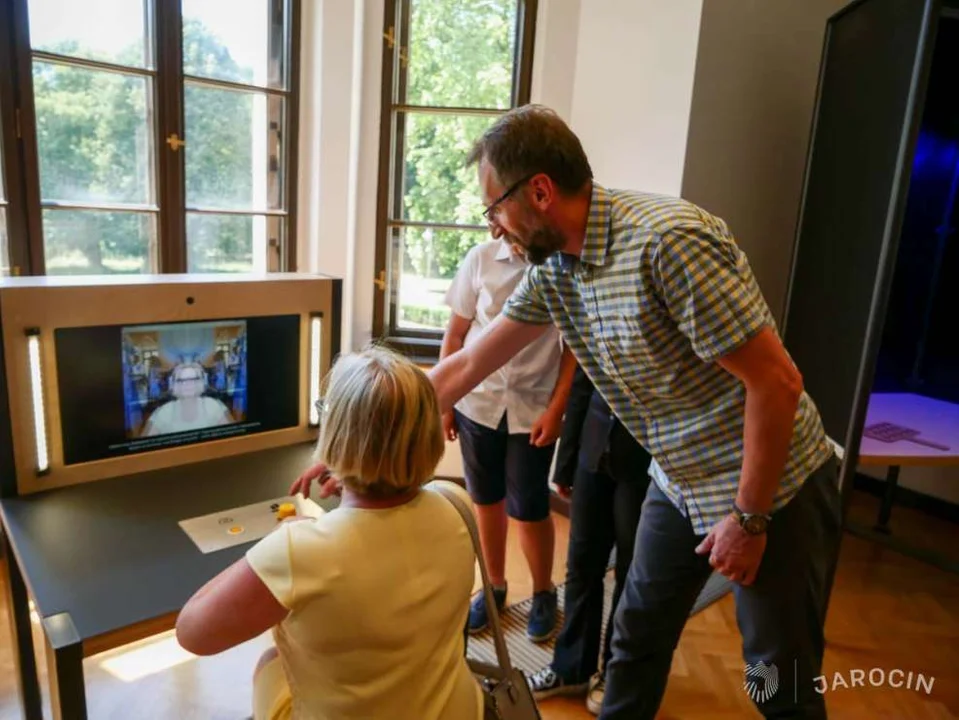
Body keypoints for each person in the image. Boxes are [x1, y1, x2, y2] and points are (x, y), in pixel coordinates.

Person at [422, 104, 842, 719]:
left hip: (774, 486)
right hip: (678, 481)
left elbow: (776, 384)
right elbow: (463, 368)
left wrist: (749, 520)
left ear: (539, 190)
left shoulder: (667, 243)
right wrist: (358, 444)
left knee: (776, 676)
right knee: (636, 636)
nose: (494, 230)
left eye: (495, 209)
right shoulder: (554, 271)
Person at [176, 346, 484, 720]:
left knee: (270, 664)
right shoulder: (456, 503)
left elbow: (192, 632)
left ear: (338, 435)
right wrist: (365, 478)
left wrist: (283, 541)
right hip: (456, 709)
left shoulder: (300, 550)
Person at [440, 233, 577, 642]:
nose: (502, 229)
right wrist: (447, 402)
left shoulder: (561, 265)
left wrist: (556, 411)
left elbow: (573, 350)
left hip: (533, 409)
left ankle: (542, 592)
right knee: (485, 501)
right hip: (477, 404)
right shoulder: (480, 259)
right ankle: (495, 586)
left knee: (531, 507)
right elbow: (455, 335)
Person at [527, 365, 650, 714]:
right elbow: (582, 384)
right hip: (592, 452)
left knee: (631, 573)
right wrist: (565, 464)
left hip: (643, 464)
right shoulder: (592, 313)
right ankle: (571, 668)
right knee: (581, 564)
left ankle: (616, 671)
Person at [142, 362, 233, 436]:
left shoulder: (212, 406)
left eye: (193, 379)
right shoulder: (165, 412)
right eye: (181, 380)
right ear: (175, 385)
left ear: (200, 382)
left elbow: (232, 439)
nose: (188, 384)